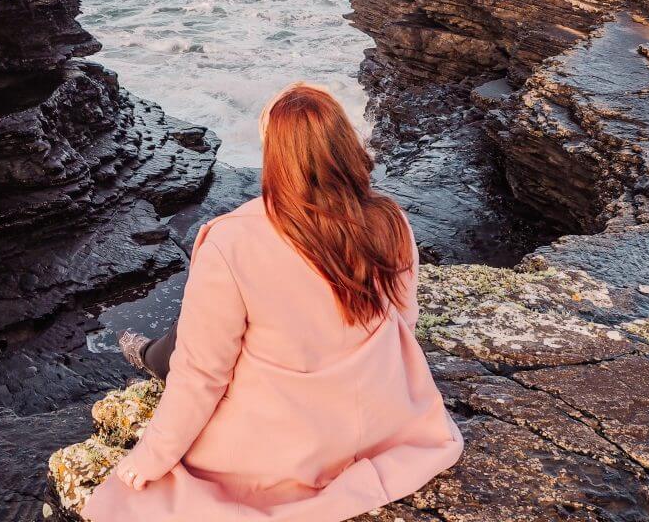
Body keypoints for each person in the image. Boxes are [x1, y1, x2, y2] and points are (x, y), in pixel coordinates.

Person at [84, 83, 464, 522]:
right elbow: (403, 322)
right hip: (381, 420)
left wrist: (150, 458)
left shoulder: (232, 239)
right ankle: (151, 353)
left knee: (187, 354)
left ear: (275, 156)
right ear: (343, 144)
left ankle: (148, 354)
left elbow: (203, 374)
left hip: (289, 446)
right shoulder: (389, 217)